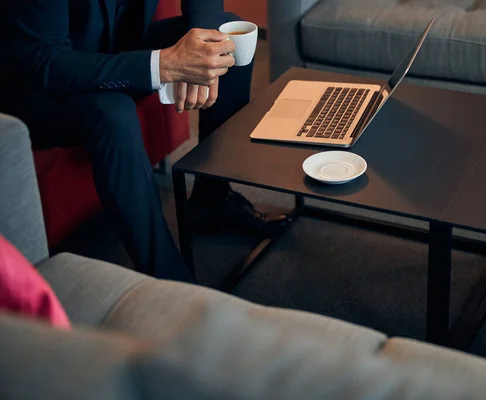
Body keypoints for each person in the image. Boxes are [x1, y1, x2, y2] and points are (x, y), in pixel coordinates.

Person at [0, 0, 289, 283]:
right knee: (114, 112)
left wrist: (204, 53)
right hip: (41, 83)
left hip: (115, 44)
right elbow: (44, 61)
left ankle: (211, 199)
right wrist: (164, 65)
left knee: (226, 39)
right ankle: (168, 282)